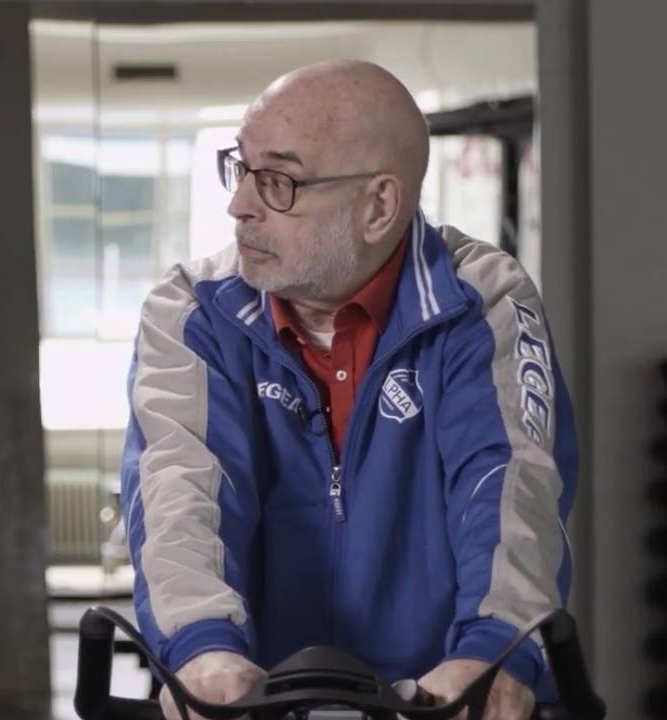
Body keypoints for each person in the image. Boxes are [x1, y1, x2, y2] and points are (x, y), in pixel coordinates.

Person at [121, 59, 575, 720]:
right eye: (240, 168)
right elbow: (180, 487)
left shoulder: (481, 301)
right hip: (257, 699)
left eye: (277, 179)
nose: (239, 204)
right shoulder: (193, 309)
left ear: (379, 205)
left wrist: (495, 649)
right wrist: (200, 646)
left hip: (437, 700)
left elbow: (509, 482)